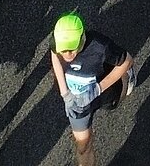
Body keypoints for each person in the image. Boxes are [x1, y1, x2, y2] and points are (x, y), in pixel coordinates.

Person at [50, 14, 134, 164]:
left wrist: (97, 89)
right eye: (64, 50)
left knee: (113, 104)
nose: (68, 55)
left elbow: (127, 60)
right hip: (76, 102)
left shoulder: (100, 46)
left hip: (105, 91)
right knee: (83, 146)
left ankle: (126, 77)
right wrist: (65, 94)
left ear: (82, 38)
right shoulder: (57, 44)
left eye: (72, 49)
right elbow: (55, 56)